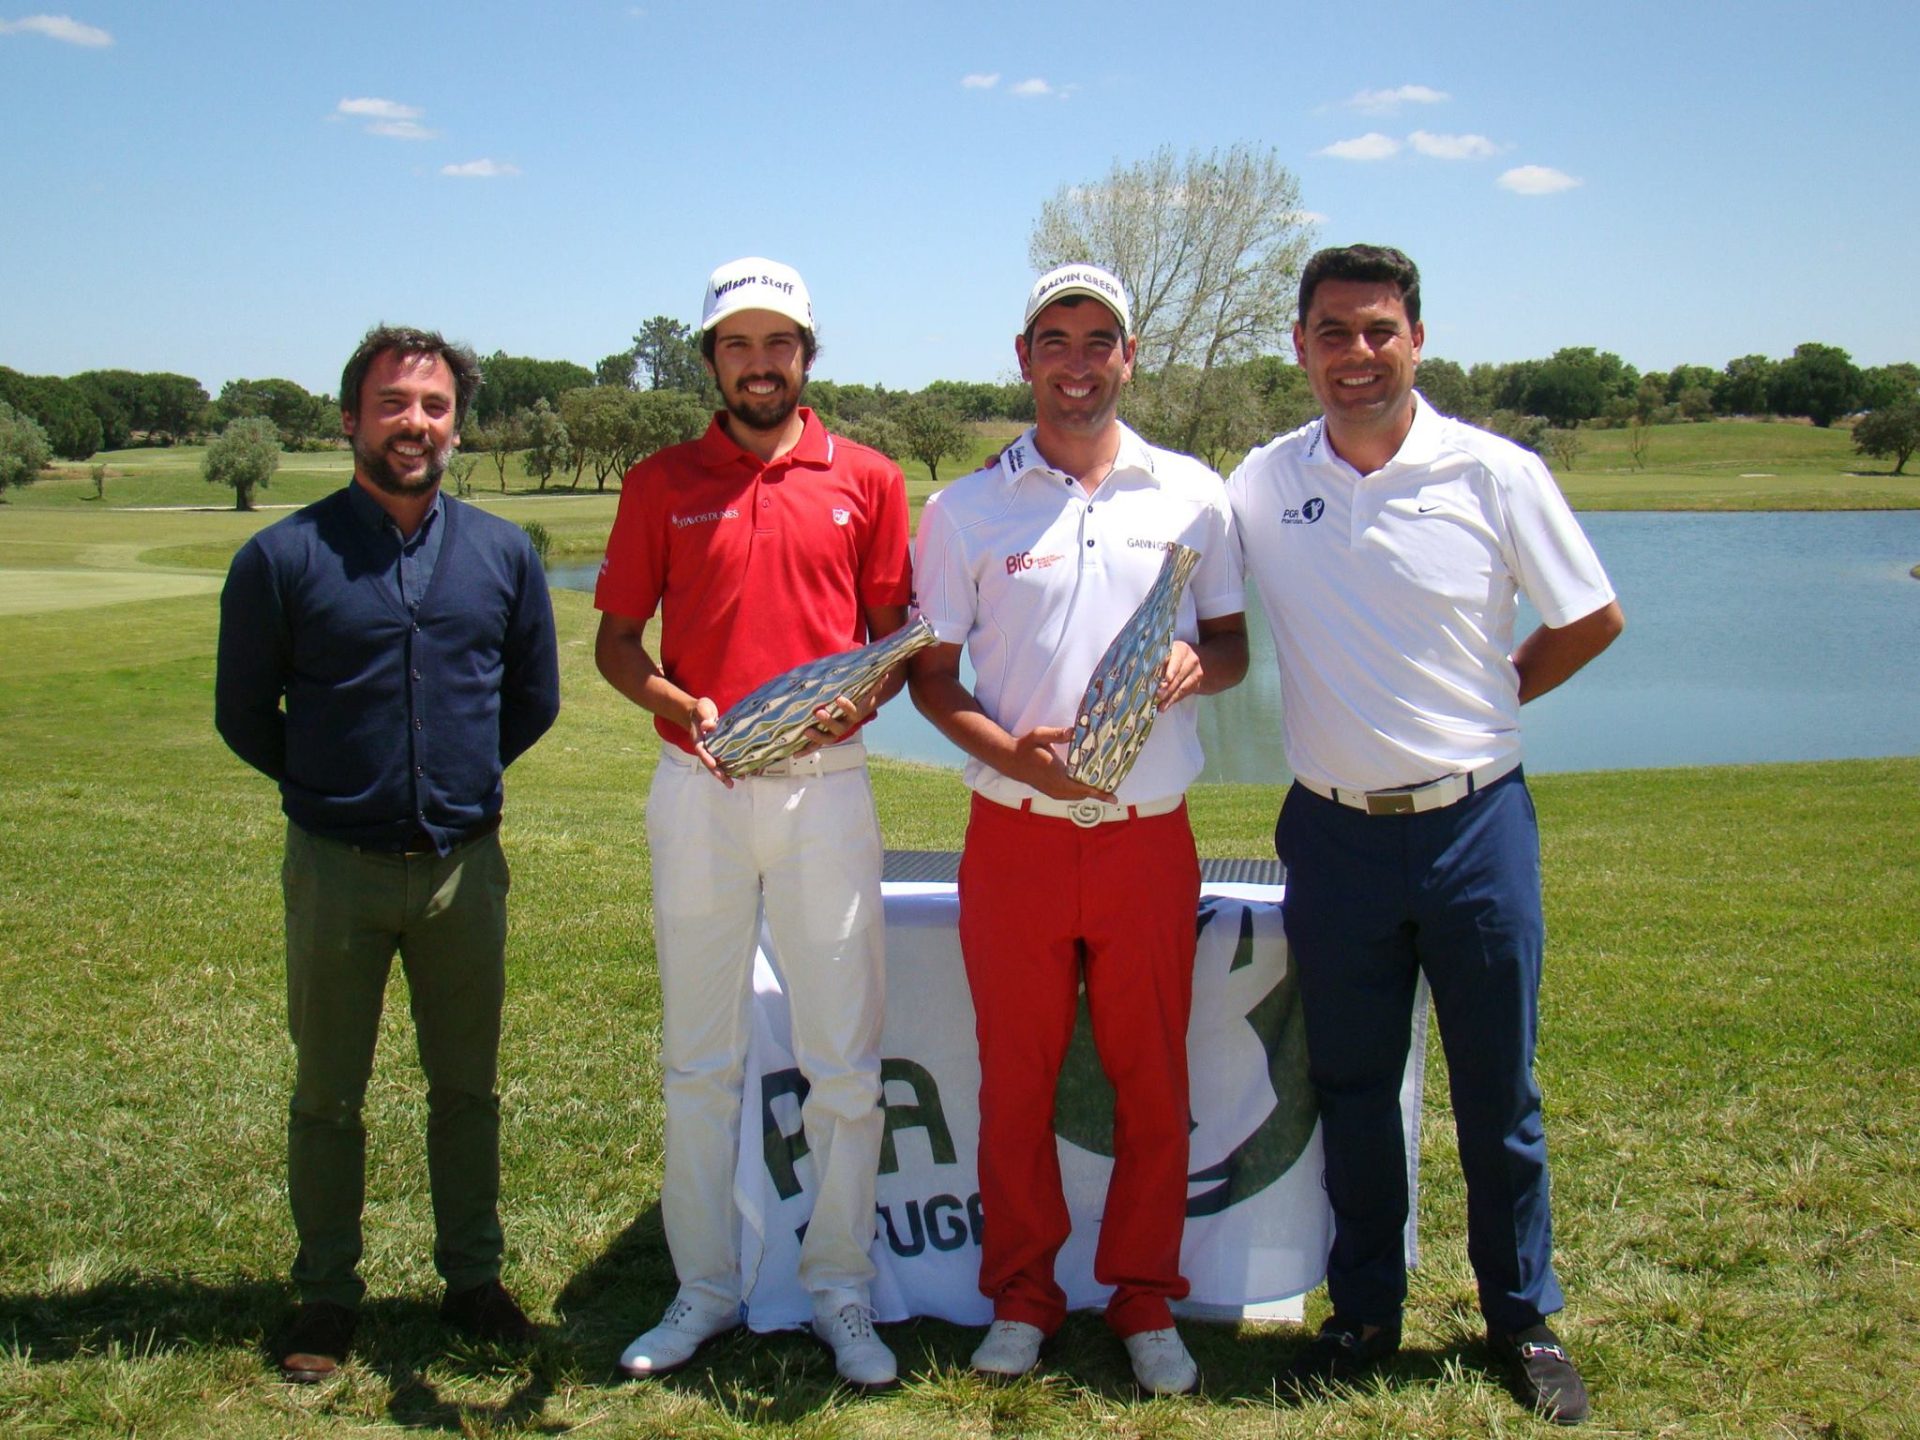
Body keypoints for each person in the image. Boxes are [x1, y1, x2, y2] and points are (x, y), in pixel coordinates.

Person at [1227, 244, 1624, 1425]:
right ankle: (1362, 1317)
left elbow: (1592, 616)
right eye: (1333, 332)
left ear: (1416, 339)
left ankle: (1522, 1318)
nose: (1357, 355)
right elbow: (1181, 585)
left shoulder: (1494, 472)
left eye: (1378, 330)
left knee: (1496, 1087)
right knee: (1351, 1084)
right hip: (1334, 836)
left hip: (1475, 825)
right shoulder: (1261, 481)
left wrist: (1491, 702)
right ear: (1300, 346)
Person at [909, 263, 1248, 1395]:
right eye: (1055, 339)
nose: (1076, 360)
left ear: (1129, 357)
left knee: (1151, 1074)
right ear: (1024, 357)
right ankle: (1023, 1296)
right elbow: (933, 679)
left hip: (1149, 833)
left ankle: (1146, 1297)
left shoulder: (1195, 493)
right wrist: (1015, 759)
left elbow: (1235, 645)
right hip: (1015, 833)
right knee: (1018, 1076)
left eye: (1099, 339)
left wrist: (1202, 663)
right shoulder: (964, 510)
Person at [215, 325, 561, 1383]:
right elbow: (244, 715)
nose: (416, 423)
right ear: (351, 419)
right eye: (394, 403)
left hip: (464, 868)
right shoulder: (283, 557)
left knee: (466, 1089)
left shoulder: (501, 553)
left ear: (459, 422)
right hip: (336, 870)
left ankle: (473, 1278)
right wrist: (337, 791)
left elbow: (531, 700)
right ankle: (325, 1296)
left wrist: (449, 785)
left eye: (436, 405)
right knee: (327, 1094)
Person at [594, 257, 911, 1389]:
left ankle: (839, 1286)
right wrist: (677, 707)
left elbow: (893, 643)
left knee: (842, 1060)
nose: (761, 362)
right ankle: (707, 1287)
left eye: (780, 343)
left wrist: (857, 694)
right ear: (712, 359)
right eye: (738, 344)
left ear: (806, 357)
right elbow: (618, 644)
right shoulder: (659, 479)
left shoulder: (866, 477)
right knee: (700, 1059)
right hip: (702, 792)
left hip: (826, 789)